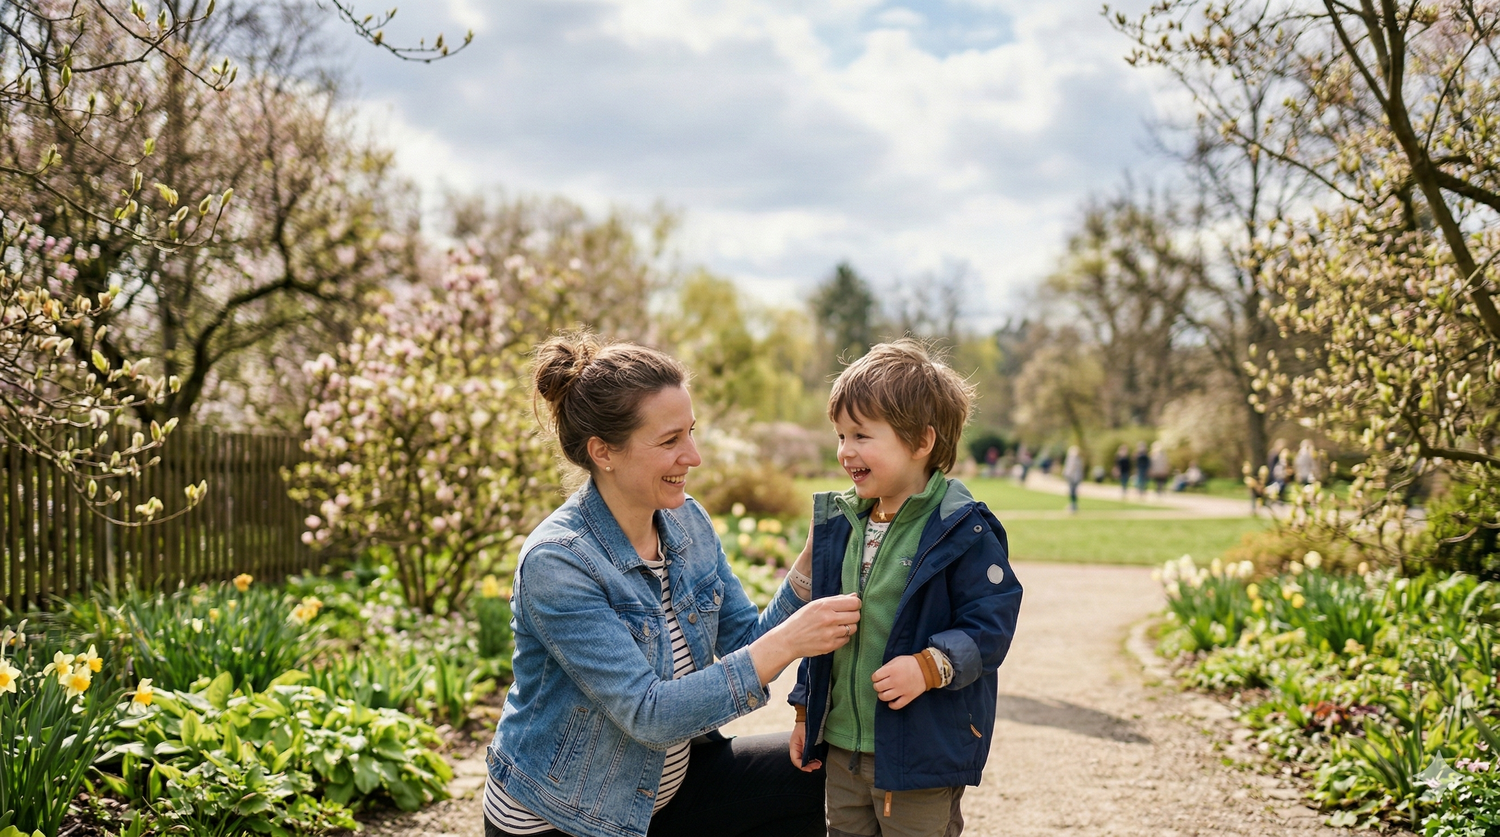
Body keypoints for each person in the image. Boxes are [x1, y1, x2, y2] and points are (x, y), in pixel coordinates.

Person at [484, 334, 863, 837]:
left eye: (691, 433)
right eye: (670, 441)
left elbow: (746, 642)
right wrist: (790, 640)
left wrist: (807, 566)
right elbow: (649, 714)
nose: (694, 456)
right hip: (567, 820)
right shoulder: (559, 562)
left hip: (666, 795)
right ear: (603, 452)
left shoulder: (686, 522)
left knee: (819, 771)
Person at [787, 340, 1024, 837]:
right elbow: (822, 632)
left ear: (921, 442)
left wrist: (928, 666)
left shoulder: (961, 530)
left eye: (861, 435)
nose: (845, 451)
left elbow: (991, 623)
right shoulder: (843, 524)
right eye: (841, 435)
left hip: (918, 753)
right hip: (843, 748)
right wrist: (806, 710)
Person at [1063, 445, 1085, 513]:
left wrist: (1066, 474)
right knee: (1074, 492)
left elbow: (1070, 468)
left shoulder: (1072, 459)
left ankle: (1073, 506)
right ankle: (1073, 505)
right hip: (1076, 478)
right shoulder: (1078, 459)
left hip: (1072, 478)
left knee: (1072, 492)